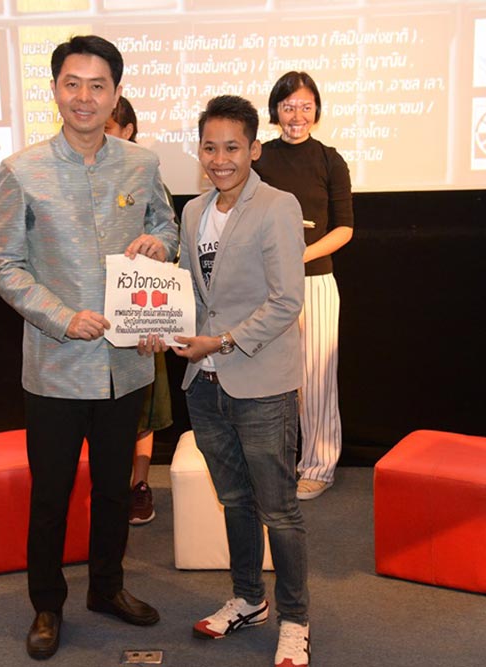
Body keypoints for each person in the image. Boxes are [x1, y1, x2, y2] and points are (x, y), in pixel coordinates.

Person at [0, 35, 178, 661]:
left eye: (98, 85)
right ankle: (47, 604)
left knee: (116, 490)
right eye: (73, 84)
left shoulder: (141, 163)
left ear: (116, 93)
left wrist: (160, 244)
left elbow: (166, 225)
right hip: (56, 368)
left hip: (127, 363)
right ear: (55, 90)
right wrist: (62, 318)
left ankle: (107, 587)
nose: (85, 97)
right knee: (51, 494)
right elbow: (2, 265)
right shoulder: (21, 170)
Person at [140, 95, 310, 667]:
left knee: (278, 510)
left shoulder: (279, 206)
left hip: (261, 383)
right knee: (234, 498)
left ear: (254, 149)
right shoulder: (193, 212)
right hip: (205, 384)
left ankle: (295, 620)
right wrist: (159, 324)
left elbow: (286, 301)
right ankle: (248, 599)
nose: (220, 159)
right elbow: (192, 293)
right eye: (210, 147)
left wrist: (222, 342)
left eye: (232, 147)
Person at [252, 71, 354, 501]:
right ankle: (272, 464)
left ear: (317, 110)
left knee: (315, 379)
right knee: (269, 378)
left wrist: (300, 255)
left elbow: (344, 228)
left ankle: (317, 466)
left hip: (315, 282)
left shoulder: (330, 160)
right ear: (275, 110)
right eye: (289, 106)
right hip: (265, 285)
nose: (297, 115)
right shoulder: (259, 158)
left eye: (306, 107)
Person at [105, 96, 176, 526]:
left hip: (138, 310)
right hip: (92, 316)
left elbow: (169, 233)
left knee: (142, 410)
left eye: (109, 127)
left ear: (128, 130)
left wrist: (157, 245)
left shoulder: (146, 172)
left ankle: (140, 485)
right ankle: (107, 490)